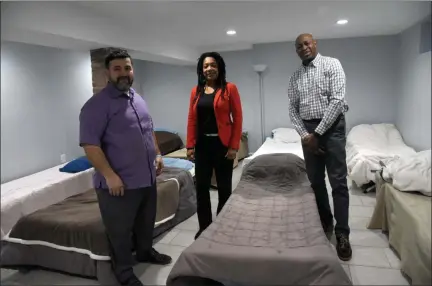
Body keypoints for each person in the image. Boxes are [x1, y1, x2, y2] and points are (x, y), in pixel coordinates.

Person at [79, 49, 172, 286]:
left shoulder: (137, 98)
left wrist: (158, 155)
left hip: (146, 178)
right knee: (119, 232)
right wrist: (110, 176)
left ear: (132, 70)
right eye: (117, 69)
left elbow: (149, 130)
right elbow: (90, 145)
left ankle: (144, 252)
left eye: (127, 68)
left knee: (145, 222)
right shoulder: (96, 106)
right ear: (107, 73)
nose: (123, 73)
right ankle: (123, 271)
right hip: (119, 184)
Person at [287, 34, 352, 261]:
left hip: (332, 129)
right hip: (309, 133)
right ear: (296, 51)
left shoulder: (332, 64)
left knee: (338, 182)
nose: (303, 48)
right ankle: (326, 221)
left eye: (307, 43)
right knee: (315, 182)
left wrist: (317, 134)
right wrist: (306, 135)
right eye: (299, 46)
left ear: (315, 44)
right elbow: (292, 110)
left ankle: (343, 234)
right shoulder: (295, 76)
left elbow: (337, 101)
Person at [186, 52, 243, 240]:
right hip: (202, 145)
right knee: (201, 188)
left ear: (219, 68)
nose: (209, 69)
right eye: (205, 66)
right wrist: (190, 145)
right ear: (201, 70)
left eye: (213, 65)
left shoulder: (229, 89)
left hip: (222, 145)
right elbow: (192, 119)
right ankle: (204, 227)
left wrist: (234, 146)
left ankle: (223, 226)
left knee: (224, 188)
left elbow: (238, 118)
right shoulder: (196, 91)